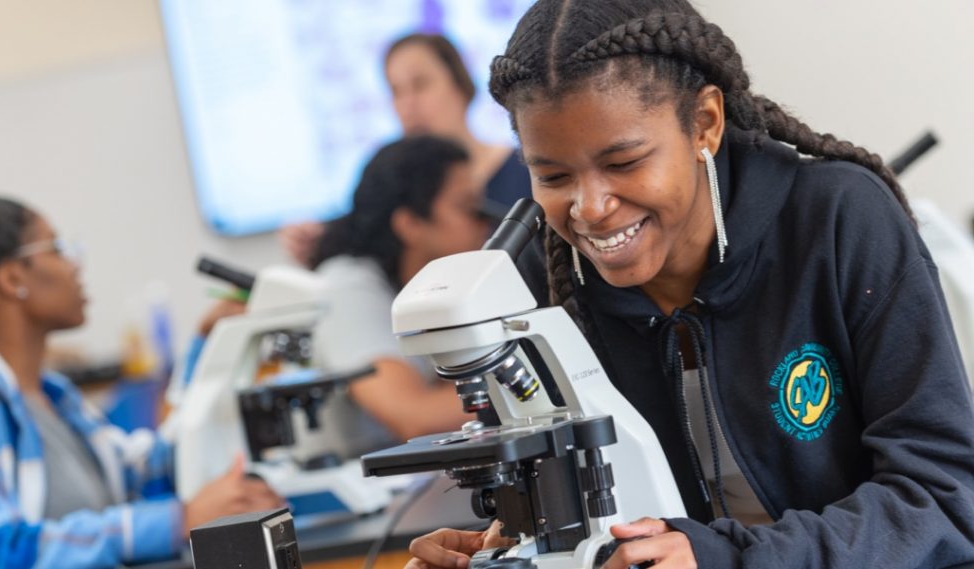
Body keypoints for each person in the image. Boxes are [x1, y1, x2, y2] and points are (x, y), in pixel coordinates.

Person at [405, 1, 974, 568]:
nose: (590, 208)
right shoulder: (547, 279)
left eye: (624, 162)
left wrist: (729, 559)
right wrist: (504, 547)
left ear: (705, 123)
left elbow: (947, 495)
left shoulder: (837, 221)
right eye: (553, 176)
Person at [0, 194, 285, 568]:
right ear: (12, 278)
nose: (75, 265)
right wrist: (176, 521)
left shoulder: (53, 395)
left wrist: (209, 350)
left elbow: (149, 476)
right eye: (58, 249)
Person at [298, 134, 489, 458]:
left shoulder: (424, 290)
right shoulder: (347, 287)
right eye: (467, 207)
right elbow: (413, 418)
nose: (484, 223)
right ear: (410, 223)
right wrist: (538, 387)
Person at [279, 33, 531, 265]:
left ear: (461, 85)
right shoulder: (395, 193)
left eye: (420, 85)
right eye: (396, 91)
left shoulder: (527, 171)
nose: (407, 105)